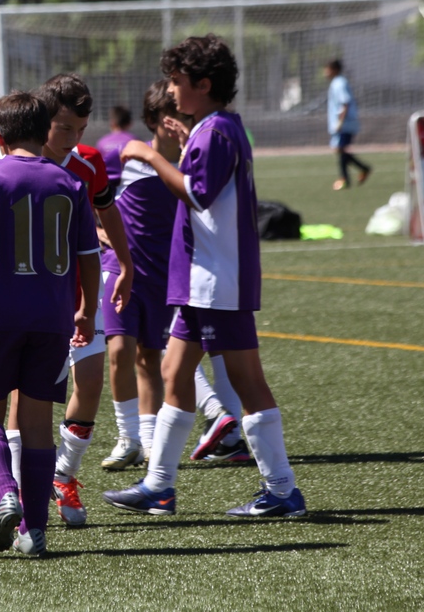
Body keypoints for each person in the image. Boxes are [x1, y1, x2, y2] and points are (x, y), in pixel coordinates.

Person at [103, 34, 306, 519]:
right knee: (173, 373)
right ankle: (159, 486)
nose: (171, 91)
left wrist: (152, 156)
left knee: (247, 382)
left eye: (177, 82)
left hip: (218, 280)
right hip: (201, 281)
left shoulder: (216, 132)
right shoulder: (215, 128)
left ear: (203, 84)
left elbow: (196, 194)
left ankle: (282, 490)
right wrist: (183, 140)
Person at [0, 90, 101, 557]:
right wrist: (87, 311)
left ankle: (4, 494)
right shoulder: (69, 182)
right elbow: (89, 256)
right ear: (43, 133)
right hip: (52, 320)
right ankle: (33, 532)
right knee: (37, 424)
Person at [10, 73, 133, 529]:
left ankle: (63, 475)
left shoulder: (88, 163)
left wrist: (126, 263)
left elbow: (108, 209)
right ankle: (22, 487)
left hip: (80, 293)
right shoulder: (14, 163)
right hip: (28, 298)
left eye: (81, 130)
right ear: (43, 120)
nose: (73, 139)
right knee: (25, 395)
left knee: (92, 382)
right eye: (64, 128)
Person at [100, 83, 177, 471]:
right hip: (121, 268)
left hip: (163, 277)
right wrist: (98, 233)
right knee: (118, 351)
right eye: (171, 120)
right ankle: (127, 437)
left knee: (150, 359)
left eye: (184, 118)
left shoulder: (192, 164)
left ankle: (147, 443)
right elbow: (94, 196)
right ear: (151, 122)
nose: (180, 126)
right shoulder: (125, 159)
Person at [326, 59, 371, 191]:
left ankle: (345, 179)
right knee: (341, 150)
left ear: (334, 69)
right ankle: (360, 170)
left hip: (345, 123)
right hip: (344, 122)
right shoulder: (337, 82)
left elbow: (345, 102)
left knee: (341, 149)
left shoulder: (339, 83)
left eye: (327, 69)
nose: (325, 72)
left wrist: (340, 121)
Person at [95, 105, 137, 190]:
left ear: (112, 123)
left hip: (107, 189)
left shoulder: (102, 143)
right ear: (129, 123)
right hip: (130, 187)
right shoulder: (135, 141)